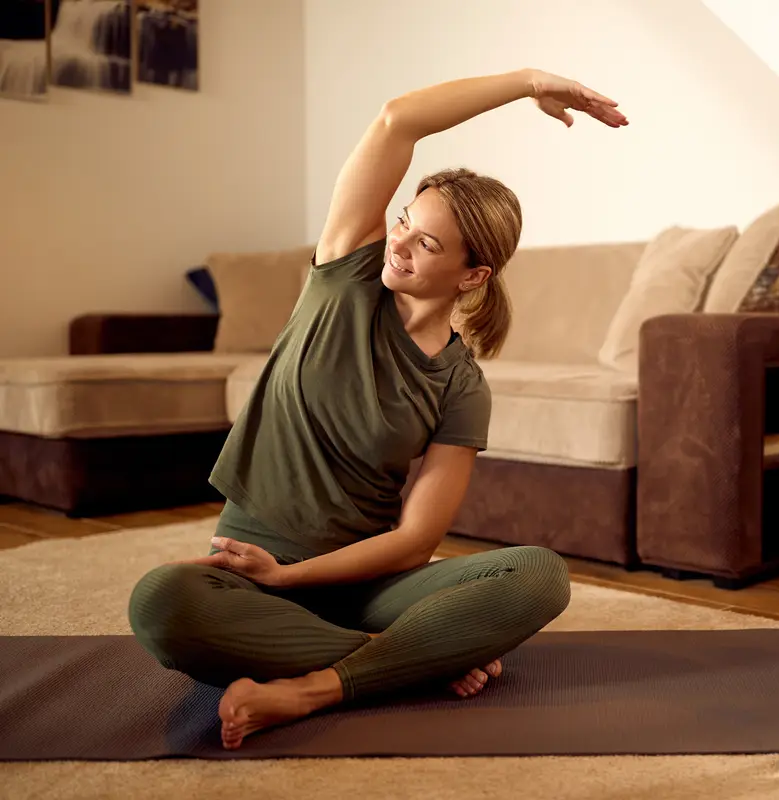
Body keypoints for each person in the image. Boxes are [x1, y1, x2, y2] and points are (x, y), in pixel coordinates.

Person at [126, 68, 629, 750]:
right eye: (403, 223)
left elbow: (416, 542)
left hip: (365, 584)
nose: (398, 242)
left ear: (473, 274)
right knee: (161, 602)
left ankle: (314, 687)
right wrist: (527, 82)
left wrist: (295, 576)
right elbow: (397, 120)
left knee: (540, 575)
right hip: (247, 574)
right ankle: (411, 659)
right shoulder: (344, 275)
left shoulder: (461, 385)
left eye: (426, 243)